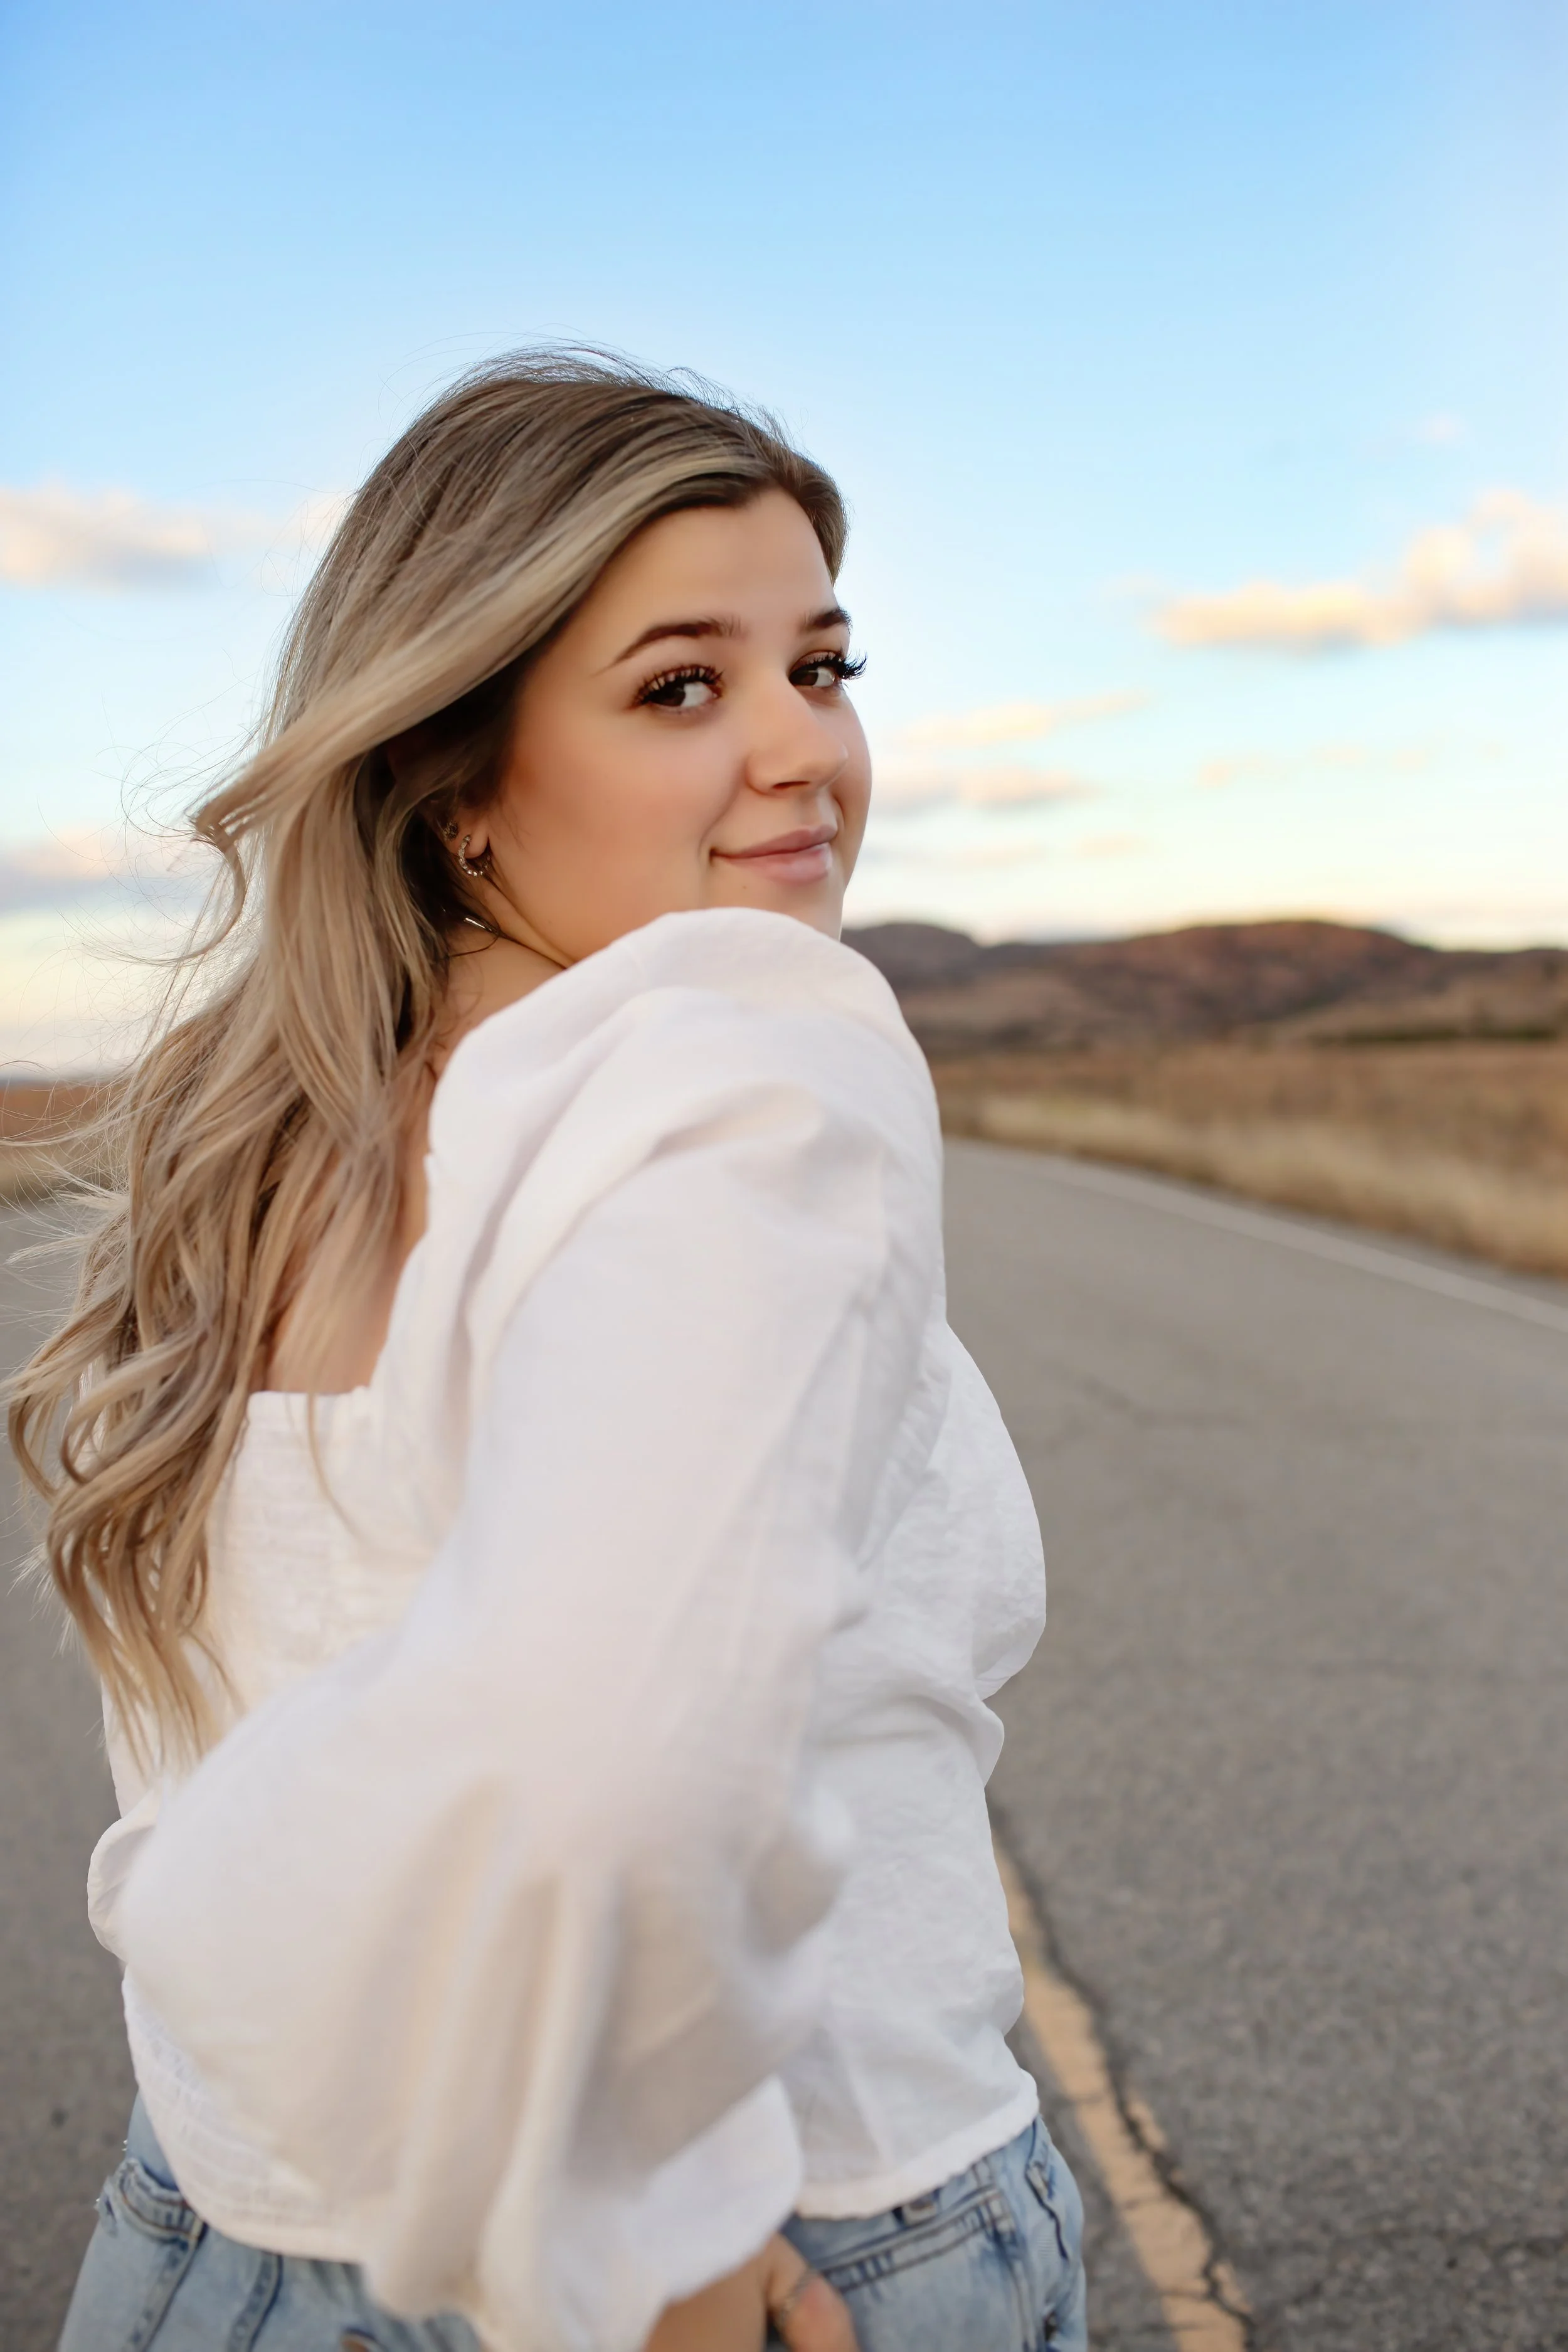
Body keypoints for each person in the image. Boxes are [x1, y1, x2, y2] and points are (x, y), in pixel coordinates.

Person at [13, 353, 1087, 2352]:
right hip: (775, 2245)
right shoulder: (741, 1055)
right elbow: (616, 1761)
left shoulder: (257, 1146)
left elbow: (219, 1817)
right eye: (682, 685)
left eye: (822, 666)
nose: (801, 749)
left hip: (205, 2246)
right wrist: (657, 2260)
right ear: (456, 772)